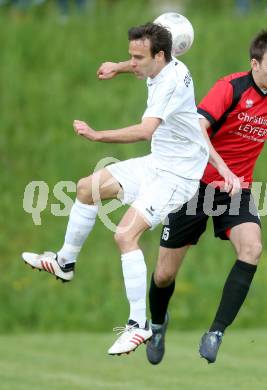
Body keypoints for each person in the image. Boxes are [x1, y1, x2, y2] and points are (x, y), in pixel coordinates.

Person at [95, 29, 267, 364]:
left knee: (252, 249)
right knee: (164, 274)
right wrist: (222, 169)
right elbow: (198, 129)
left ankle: (216, 331)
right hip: (193, 184)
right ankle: (159, 324)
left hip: (235, 190)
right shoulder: (230, 88)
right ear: (255, 64)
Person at [21, 22, 211, 356]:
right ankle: (65, 262)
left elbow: (145, 130)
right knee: (86, 188)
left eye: (137, 57)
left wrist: (98, 136)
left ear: (161, 55)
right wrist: (118, 67)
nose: (132, 62)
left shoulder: (171, 82)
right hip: (157, 164)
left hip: (177, 178)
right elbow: (141, 65)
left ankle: (139, 326)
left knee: (125, 235)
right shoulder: (162, 64)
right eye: (130, 56)